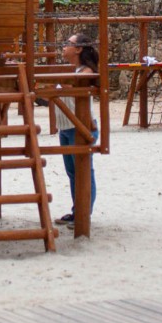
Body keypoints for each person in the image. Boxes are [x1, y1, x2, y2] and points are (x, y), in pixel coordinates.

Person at [55, 33, 98, 227]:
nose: (64, 47)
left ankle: (84, 213)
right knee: (73, 172)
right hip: (66, 127)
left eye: (68, 44)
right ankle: (77, 210)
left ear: (79, 49)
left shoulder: (86, 72)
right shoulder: (75, 70)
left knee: (83, 171)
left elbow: (73, 85)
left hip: (79, 127)